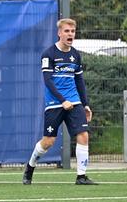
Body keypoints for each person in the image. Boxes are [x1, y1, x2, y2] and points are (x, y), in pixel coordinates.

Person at [22, 18, 97, 185]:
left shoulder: (75, 55)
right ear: (59, 33)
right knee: (48, 141)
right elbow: (48, 81)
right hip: (55, 103)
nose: (70, 34)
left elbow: (79, 81)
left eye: (72, 31)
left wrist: (85, 104)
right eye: (67, 31)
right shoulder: (49, 54)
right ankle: (30, 166)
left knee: (83, 135)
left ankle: (81, 176)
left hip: (74, 102)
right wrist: (62, 100)